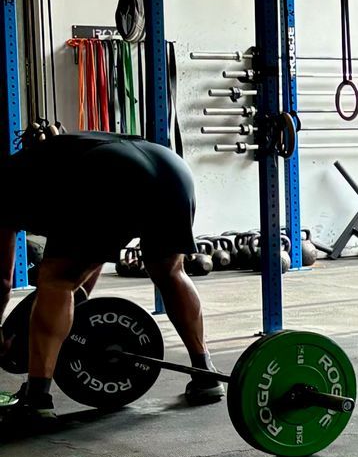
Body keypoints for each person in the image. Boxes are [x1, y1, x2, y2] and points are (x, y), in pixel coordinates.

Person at [0, 131, 219, 426]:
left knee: (55, 279)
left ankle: (36, 398)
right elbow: (97, 249)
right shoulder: (41, 163)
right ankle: (205, 373)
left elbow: (2, 280)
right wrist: (73, 307)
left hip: (107, 172)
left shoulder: (6, 185)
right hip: (171, 168)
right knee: (170, 272)